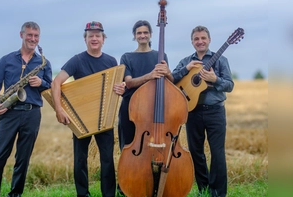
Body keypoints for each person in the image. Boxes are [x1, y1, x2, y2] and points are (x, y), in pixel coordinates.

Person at [51, 21, 125, 197]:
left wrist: (121, 88)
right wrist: (59, 110)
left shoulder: (111, 61)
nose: (94, 38)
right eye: (90, 36)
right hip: (81, 118)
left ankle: (108, 194)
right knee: (80, 159)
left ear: (103, 39)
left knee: (107, 159)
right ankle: (82, 194)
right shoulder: (77, 60)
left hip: (104, 118)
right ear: (85, 39)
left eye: (97, 35)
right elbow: (56, 83)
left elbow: (117, 87)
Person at [0, 21, 52, 197]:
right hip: (9, 112)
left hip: (32, 113)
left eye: (36, 36)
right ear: (21, 35)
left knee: (23, 159)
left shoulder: (43, 63)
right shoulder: (6, 60)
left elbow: (50, 88)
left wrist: (41, 83)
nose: (33, 39)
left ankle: (15, 194)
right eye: (29, 35)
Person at [171, 25, 234, 197]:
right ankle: (203, 189)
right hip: (192, 112)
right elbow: (172, 79)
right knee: (196, 152)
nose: (200, 41)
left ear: (209, 40)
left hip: (215, 112)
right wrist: (187, 69)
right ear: (192, 42)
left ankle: (218, 193)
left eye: (203, 38)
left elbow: (230, 85)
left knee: (217, 153)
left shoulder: (220, 60)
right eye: (197, 39)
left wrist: (215, 79)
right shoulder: (186, 61)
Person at [117, 20, 172, 196]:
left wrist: (167, 73)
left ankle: (154, 185)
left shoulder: (160, 55)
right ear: (134, 36)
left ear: (150, 35)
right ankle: (127, 187)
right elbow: (129, 82)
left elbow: (170, 82)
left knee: (153, 151)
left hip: (154, 111)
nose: (142, 36)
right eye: (139, 33)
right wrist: (150, 75)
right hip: (131, 111)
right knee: (129, 149)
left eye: (145, 33)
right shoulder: (127, 57)